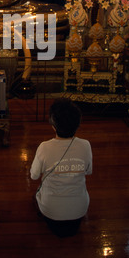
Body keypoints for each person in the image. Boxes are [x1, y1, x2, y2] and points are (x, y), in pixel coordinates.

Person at [30, 98, 92, 237]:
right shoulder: (85, 145)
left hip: (50, 211)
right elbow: (88, 171)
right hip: (80, 210)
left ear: (53, 125)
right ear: (78, 124)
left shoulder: (44, 147)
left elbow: (34, 176)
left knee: (35, 196)